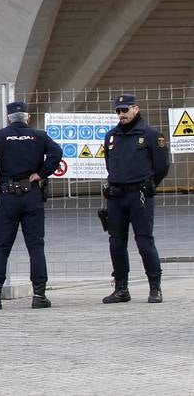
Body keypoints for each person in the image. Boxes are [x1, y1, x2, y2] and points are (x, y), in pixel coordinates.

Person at [0, 100, 63, 310]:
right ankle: (39, 295)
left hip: (8, 196)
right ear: (28, 117)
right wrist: (41, 174)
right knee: (35, 246)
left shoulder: (0, 136)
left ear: (9, 118)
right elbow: (56, 154)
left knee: (1, 246)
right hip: (31, 194)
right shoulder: (39, 136)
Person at [100, 92, 171, 304]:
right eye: (118, 111)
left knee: (144, 241)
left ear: (136, 109)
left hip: (139, 195)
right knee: (116, 242)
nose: (122, 114)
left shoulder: (150, 134)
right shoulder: (112, 136)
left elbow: (162, 165)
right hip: (116, 197)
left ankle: (155, 287)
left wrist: (150, 184)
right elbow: (109, 163)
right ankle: (121, 289)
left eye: (125, 110)